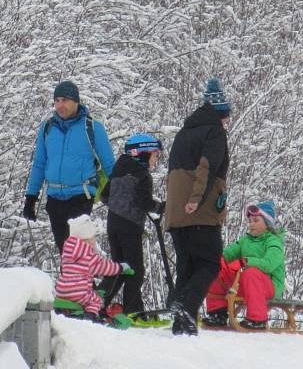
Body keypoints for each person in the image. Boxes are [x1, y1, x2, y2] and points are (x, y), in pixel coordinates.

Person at [164, 77, 231, 335]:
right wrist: (196, 200)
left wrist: (179, 206)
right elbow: (207, 167)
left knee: (187, 266)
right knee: (210, 263)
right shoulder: (214, 131)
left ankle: (183, 325)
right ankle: (185, 304)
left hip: (176, 214)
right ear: (220, 114)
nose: (226, 122)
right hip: (200, 211)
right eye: (226, 117)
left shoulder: (184, 132)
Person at [22, 80, 116, 253]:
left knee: (78, 252)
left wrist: (119, 193)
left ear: (76, 101)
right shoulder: (47, 127)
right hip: (54, 199)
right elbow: (39, 164)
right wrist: (31, 197)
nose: (60, 105)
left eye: (64, 100)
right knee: (65, 253)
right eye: (57, 100)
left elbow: (110, 164)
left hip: (80, 197)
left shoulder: (92, 128)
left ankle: (90, 279)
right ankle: (80, 280)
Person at [100, 133, 165, 325]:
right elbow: (143, 202)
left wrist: (119, 204)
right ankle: (133, 312)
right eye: (154, 155)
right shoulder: (142, 175)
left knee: (118, 268)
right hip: (130, 226)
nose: (155, 160)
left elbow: (104, 196)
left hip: (113, 225)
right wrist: (160, 207)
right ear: (142, 154)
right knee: (135, 270)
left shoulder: (117, 170)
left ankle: (97, 303)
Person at [202, 201, 285, 330]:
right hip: (245, 283)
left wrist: (245, 261)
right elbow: (228, 253)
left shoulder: (274, 242)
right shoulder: (245, 240)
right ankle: (218, 313)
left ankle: (257, 319)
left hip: (269, 285)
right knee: (215, 267)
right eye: (250, 221)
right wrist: (216, 258)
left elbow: (269, 264)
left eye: (256, 220)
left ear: (267, 224)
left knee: (251, 272)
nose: (251, 224)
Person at [54, 214, 131, 320]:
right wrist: (120, 268)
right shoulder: (87, 254)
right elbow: (103, 267)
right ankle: (90, 316)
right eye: (93, 237)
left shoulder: (67, 251)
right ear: (87, 239)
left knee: (87, 294)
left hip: (61, 290)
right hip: (78, 291)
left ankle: (60, 311)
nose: (94, 240)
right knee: (96, 300)